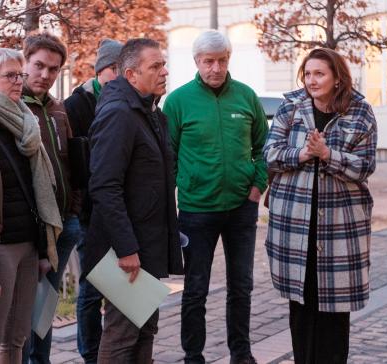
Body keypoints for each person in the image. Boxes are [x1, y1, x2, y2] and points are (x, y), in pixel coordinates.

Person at [263, 47, 378, 363]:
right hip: (295, 223)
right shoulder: (291, 106)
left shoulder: (360, 112)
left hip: (339, 227)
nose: (312, 81)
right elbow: (270, 153)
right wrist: (301, 154)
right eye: (308, 74)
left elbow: (365, 166)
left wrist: (329, 155)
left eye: (320, 74)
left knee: (334, 311)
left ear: (337, 78)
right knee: (301, 306)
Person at [162, 30, 268, 364]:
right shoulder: (178, 101)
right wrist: (179, 190)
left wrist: (258, 183)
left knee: (242, 286)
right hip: (196, 211)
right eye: (209, 61)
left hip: (241, 209)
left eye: (222, 60)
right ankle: (193, 355)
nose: (216, 68)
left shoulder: (246, 97)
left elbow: (265, 145)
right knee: (195, 289)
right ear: (196, 62)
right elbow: (168, 155)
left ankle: (242, 352)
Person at [83, 38, 184, 364]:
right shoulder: (120, 115)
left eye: (163, 64)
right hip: (126, 250)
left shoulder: (150, 113)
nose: (164, 71)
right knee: (123, 334)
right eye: (155, 66)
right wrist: (126, 248)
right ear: (131, 74)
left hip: (147, 244)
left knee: (143, 329)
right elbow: (104, 186)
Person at [0, 47, 58, 364]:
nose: (19, 81)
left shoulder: (24, 120)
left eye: (20, 74)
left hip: (28, 241)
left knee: (16, 339)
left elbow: (34, 187)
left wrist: (44, 249)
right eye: (10, 76)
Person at [22, 32, 81, 364]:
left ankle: (41, 360)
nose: (45, 75)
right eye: (39, 66)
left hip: (62, 224)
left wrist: (74, 210)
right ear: (25, 60)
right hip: (29, 229)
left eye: (53, 69)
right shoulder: (13, 106)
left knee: (46, 303)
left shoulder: (58, 109)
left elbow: (70, 163)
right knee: (24, 309)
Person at [63, 38, 123, 364]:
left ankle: (118, 350)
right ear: (101, 70)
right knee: (91, 286)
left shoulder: (131, 101)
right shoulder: (76, 105)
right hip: (89, 211)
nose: (119, 75)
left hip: (118, 209)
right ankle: (90, 353)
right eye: (114, 69)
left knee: (120, 283)